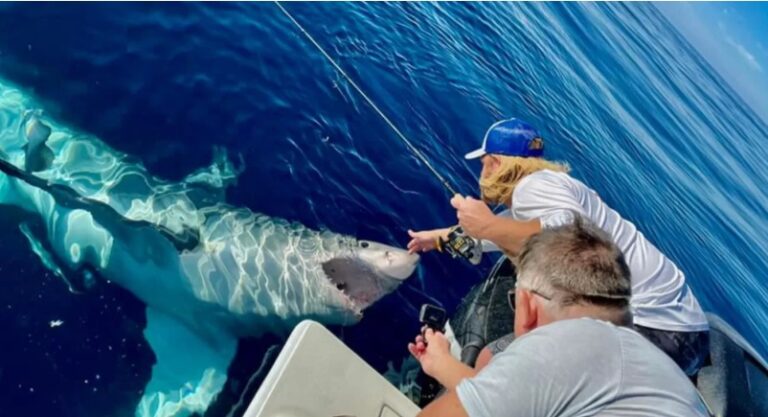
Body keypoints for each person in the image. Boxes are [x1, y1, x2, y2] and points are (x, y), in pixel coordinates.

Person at [407, 118, 709, 377]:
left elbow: (569, 240)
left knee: (502, 366)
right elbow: (500, 234)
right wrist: (436, 238)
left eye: (484, 165)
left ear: (497, 164)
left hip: (655, 332)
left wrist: (486, 225)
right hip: (684, 328)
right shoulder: (549, 188)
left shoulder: (533, 187)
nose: (482, 175)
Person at [407, 220, 709, 417]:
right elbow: (518, 396)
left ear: (526, 304)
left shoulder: (561, 348)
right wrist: (441, 365)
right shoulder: (659, 371)